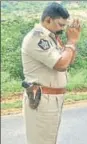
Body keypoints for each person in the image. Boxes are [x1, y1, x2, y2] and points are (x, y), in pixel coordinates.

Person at [21, 2, 81, 144]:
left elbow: (69, 60)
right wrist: (71, 41)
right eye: (60, 25)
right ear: (48, 20)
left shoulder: (51, 37)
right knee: (41, 141)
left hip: (51, 99)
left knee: (49, 139)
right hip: (42, 98)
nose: (63, 28)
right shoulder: (37, 38)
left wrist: (72, 43)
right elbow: (61, 64)